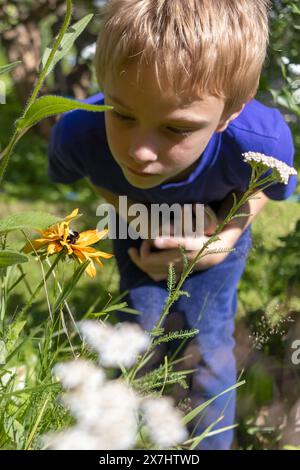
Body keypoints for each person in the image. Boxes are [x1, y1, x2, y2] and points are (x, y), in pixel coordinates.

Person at [47, 0, 297, 449]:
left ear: (230, 113)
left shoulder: (261, 140)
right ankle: (132, 439)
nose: (141, 151)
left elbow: (265, 190)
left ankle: (209, 442)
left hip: (218, 224)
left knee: (206, 345)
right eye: (122, 115)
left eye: (176, 129)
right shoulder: (77, 131)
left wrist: (222, 240)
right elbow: (93, 177)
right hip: (134, 222)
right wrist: (135, 217)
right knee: (140, 334)